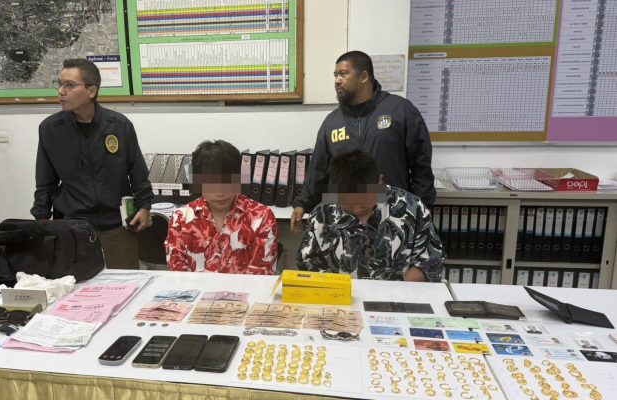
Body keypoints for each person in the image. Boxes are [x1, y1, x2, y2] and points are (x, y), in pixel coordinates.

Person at [291, 51, 435, 233]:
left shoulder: (400, 110)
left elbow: (421, 166)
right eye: (335, 75)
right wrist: (302, 204)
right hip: (345, 219)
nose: (337, 80)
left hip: (393, 215)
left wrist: (422, 209)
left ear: (364, 76)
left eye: (344, 74)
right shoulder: (332, 122)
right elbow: (318, 170)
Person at [31, 59, 153, 269]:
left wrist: (144, 206)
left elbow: (137, 172)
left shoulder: (119, 125)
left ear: (91, 91)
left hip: (117, 226)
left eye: (69, 85)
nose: (61, 91)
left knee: (124, 282)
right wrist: (41, 219)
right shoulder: (50, 129)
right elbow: (45, 181)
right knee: (78, 286)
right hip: (72, 229)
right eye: (59, 84)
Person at [296, 150, 444, 281]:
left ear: (379, 182)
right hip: (340, 296)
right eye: (348, 203)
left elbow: (432, 262)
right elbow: (307, 262)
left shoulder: (412, 208)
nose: (356, 208)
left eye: (362, 202)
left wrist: (401, 285)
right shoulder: (323, 212)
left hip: (396, 296)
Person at [165, 140, 278, 274]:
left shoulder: (262, 216)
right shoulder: (180, 218)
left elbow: (261, 274)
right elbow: (178, 274)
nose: (220, 192)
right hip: (194, 287)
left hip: (247, 288)